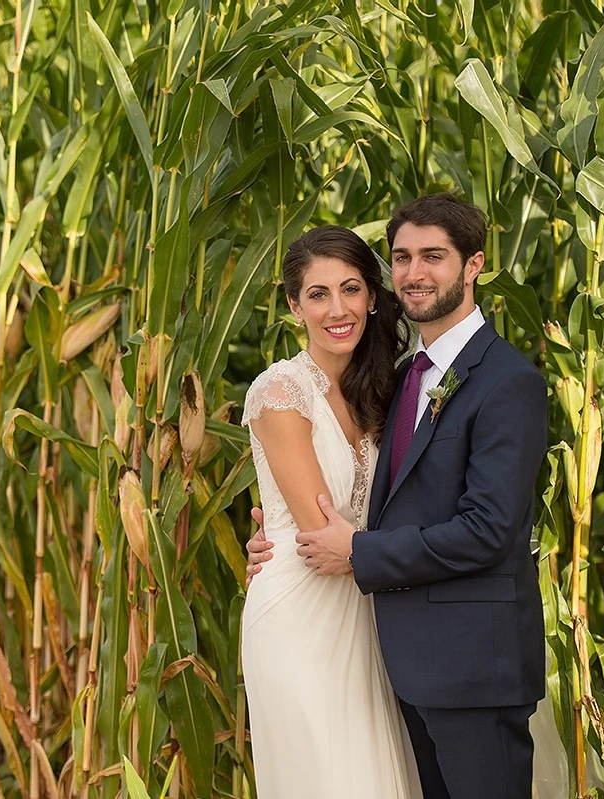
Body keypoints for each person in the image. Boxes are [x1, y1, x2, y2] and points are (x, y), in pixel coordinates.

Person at [245, 194, 554, 799]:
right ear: (293, 304)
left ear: (474, 265)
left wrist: (351, 551)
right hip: (377, 641)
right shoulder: (400, 379)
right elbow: (361, 504)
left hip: (462, 661)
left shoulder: (505, 380)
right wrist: (274, 539)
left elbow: (489, 528)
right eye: (403, 257)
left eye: (433, 256)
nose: (415, 272)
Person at [239, 224, 421, 797]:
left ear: (372, 296)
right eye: (318, 294)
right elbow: (320, 533)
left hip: (371, 604)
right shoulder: (280, 393)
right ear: (294, 306)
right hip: (300, 611)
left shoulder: (386, 391)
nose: (337, 309)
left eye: (350, 289)